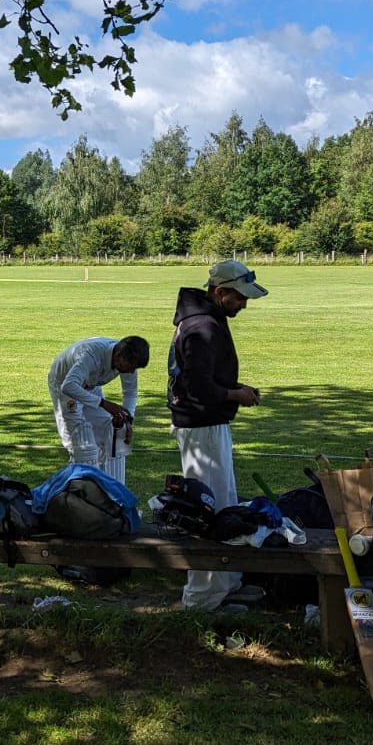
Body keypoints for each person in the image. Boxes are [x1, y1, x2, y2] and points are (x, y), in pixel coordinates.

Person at [168, 259, 268, 612]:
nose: (244, 304)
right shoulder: (202, 327)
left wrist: (236, 387)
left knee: (225, 504)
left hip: (208, 425)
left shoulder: (206, 320)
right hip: (201, 427)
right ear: (220, 291)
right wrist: (234, 395)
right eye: (240, 297)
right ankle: (200, 599)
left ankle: (225, 583)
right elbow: (196, 385)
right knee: (206, 511)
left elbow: (204, 376)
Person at [48, 336, 150, 483]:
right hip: (64, 385)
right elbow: (69, 386)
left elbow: (130, 393)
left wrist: (128, 421)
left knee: (115, 433)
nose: (131, 371)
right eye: (130, 366)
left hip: (90, 385)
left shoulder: (128, 362)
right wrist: (104, 404)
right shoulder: (91, 355)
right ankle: (83, 495)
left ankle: (114, 497)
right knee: (83, 445)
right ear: (119, 354)